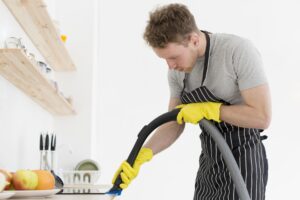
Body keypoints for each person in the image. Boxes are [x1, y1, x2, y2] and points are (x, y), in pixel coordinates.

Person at [112, 3, 271, 200]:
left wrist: (210, 110)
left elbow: (261, 117)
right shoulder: (177, 73)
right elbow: (174, 122)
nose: (170, 65)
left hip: (244, 159)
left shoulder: (236, 51)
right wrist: (140, 157)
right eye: (164, 60)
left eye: (173, 57)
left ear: (194, 40)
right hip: (210, 162)